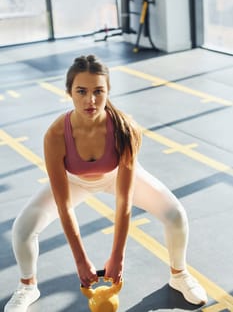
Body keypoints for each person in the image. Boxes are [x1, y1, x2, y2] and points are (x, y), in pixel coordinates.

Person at [5, 55, 208, 311]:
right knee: (22, 229)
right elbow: (64, 206)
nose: (90, 100)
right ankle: (27, 286)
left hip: (114, 176)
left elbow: (124, 202)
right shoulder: (56, 134)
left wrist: (118, 257)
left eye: (98, 91)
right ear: (69, 92)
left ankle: (179, 275)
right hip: (74, 180)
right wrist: (80, 260)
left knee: (175, 214)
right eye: (81, 91)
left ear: (108, 90)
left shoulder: (126, 129)